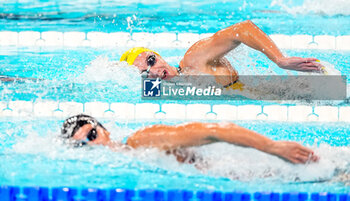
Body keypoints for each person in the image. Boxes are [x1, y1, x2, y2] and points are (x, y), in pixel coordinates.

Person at [120, 20, 323, 89]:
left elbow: (242, 29)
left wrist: (280, 60)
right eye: (145, 73)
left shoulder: (194, 59)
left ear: (158, 55)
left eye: (152, 60)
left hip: (288, 96)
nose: (155, 71)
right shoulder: (169, 94)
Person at [61, 114, 319, 165]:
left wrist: (273, 147)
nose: (93, 144)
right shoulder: (126, 162)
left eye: (92, 134)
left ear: (104, 129)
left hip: (262, 170)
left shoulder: (141, 141)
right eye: (82, 144)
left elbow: (215, 129)